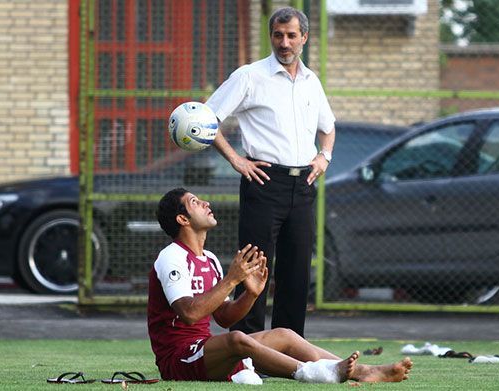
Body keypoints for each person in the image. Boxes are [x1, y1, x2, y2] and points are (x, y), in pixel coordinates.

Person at [147, 188, 413, 383]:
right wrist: (232, 280)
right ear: (183, 219)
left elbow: (225, 317)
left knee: (284, 333)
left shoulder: (211, 259)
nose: (205, 202)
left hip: (205, 351)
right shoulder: (172, 256)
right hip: (178, 360)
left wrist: (251, 295)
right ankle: (314, 373)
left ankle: (364, 371)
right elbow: (190, 313)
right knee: (238, 338)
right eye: (195, 202)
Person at [205, 6, 334, 337]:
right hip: (263, 182)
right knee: (253, 270)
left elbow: (328, 127)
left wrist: (324, 157)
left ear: (304, 37)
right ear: (270, 37)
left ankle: (289, 351)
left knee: (296, 274)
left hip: (304, 184)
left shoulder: (311, 80)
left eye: (292, 35)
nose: (285, 43)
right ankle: (245, 352)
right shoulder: (249, 76)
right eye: (278, 35)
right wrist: (236, 159)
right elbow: (206, 118)